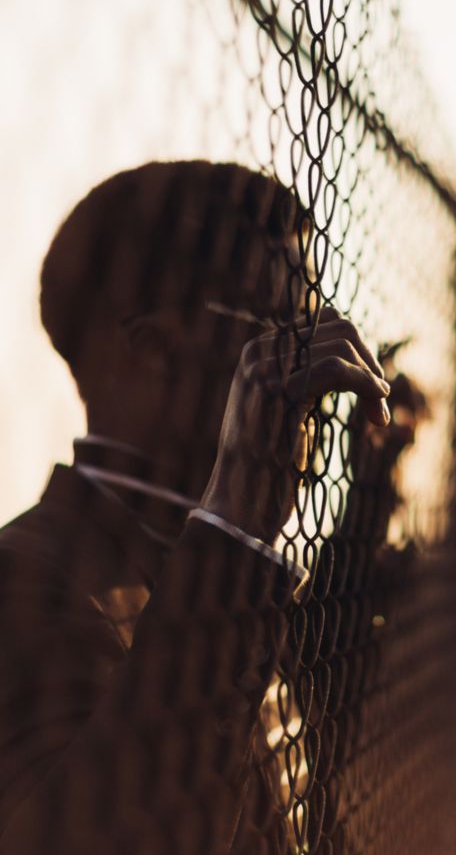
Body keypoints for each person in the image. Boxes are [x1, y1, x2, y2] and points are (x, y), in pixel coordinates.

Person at [0, 161, 421, 853]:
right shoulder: (25, 582)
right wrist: (235, 524)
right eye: (285, 333)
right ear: (151, 349)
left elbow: (294, 741)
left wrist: (366, 503)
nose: (320, 365)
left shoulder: (185, 560)